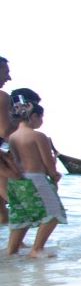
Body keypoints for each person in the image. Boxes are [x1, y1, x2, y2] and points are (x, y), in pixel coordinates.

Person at [6, 99, 67, 257]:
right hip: (36, 178)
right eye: (41, 117)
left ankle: (11, 252)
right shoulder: (38, 136)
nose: (41, 121)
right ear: (33, 116)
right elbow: (48, 164)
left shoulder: (12, 137)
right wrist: (55, 175)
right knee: (53, 213)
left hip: (16, 181)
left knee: (21, 216)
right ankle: (37, 249)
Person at [0, 56, 15, 224]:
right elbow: (5, 132)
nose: (9, 78)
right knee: (20, 204)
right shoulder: (2, 97)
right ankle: (17, 248)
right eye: (6, 72)